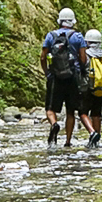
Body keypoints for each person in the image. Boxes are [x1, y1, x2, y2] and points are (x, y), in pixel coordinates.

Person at [40, 8, 95, 147]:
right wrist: (82, 71)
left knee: (50, 109)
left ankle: (54, 124)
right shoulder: (78, 37)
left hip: (55, 77)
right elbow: (83, 58)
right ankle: (68, 141)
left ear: (60, 21)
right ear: (72, 21)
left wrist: (47, 73)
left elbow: (42, 57)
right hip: (73, 77)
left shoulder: (51, 36)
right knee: (71, 111)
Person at [80, 29, 102, 148]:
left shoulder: (86, 55)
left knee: (83, 112)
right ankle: (97, 140)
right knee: (96, 113)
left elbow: (80, 69)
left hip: (88, 87)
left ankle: (92, 133)